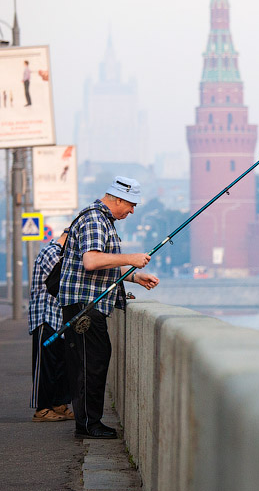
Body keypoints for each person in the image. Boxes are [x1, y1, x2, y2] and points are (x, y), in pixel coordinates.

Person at [58, 177, 160, 439]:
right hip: (85, 306)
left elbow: (105, 265)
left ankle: (88, 422)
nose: (132, 211)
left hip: (87, 304)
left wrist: (135, 277)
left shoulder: (102, 220)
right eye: (131, 205)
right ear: (117, 199)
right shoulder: (95, 219)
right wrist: (132, 258)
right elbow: (91, 260)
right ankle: (90, 424)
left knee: (94, 361)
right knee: (91, 364)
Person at [28, 229, 73, 422]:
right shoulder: (51, 253)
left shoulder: (63, 255)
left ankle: (59, 404)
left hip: (59, 319)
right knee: (44, 366)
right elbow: (63, 281)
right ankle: (42, 408)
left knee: (61, 365)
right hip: (45, 317)